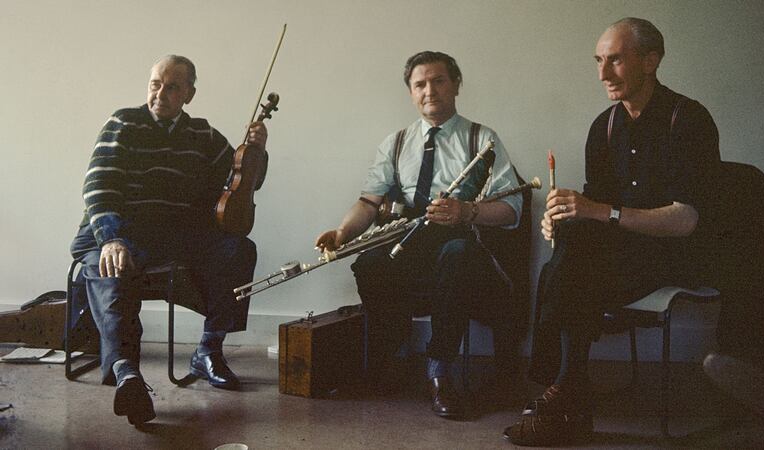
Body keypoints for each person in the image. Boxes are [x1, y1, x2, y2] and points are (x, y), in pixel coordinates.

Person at [503, 18, 720, 446]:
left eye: (615, 60)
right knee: (572, 243)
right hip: (618, 260)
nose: (602, 74)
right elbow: (593, 215)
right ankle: (565, 392)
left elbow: (685, 221)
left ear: (651, 60)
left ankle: (559, 395)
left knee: (570, 266)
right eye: (599, 61)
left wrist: (596, 212)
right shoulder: (603, 127)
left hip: (679, 255)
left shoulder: (688, 119)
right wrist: (564, 217)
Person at [315, 51, 523, 420]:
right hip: (411, 247)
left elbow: (512, 211)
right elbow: (368, 202)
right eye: (420, 84)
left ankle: (439, 371)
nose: (430, 90)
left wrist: (466, 211)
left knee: (456, 253)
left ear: (456, 84)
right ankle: (394, 358)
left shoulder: (482, 139)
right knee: (370, 264)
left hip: (466, 253)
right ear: (411, 92)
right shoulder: (395, 143)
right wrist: (343, 233)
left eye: (439, 81)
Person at [69, 55, 268, 426]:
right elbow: (98, 185)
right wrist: (112, 239)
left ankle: (209, 350)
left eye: (172, 87)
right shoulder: (123, 122)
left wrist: (257, 150)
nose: (160, 94)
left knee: (239, 249)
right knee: (112, 265)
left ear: (189, 94)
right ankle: (128, 374)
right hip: (118, 230)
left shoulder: (203, 135)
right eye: (155, 84)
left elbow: (244, 179)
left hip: (173, 236)